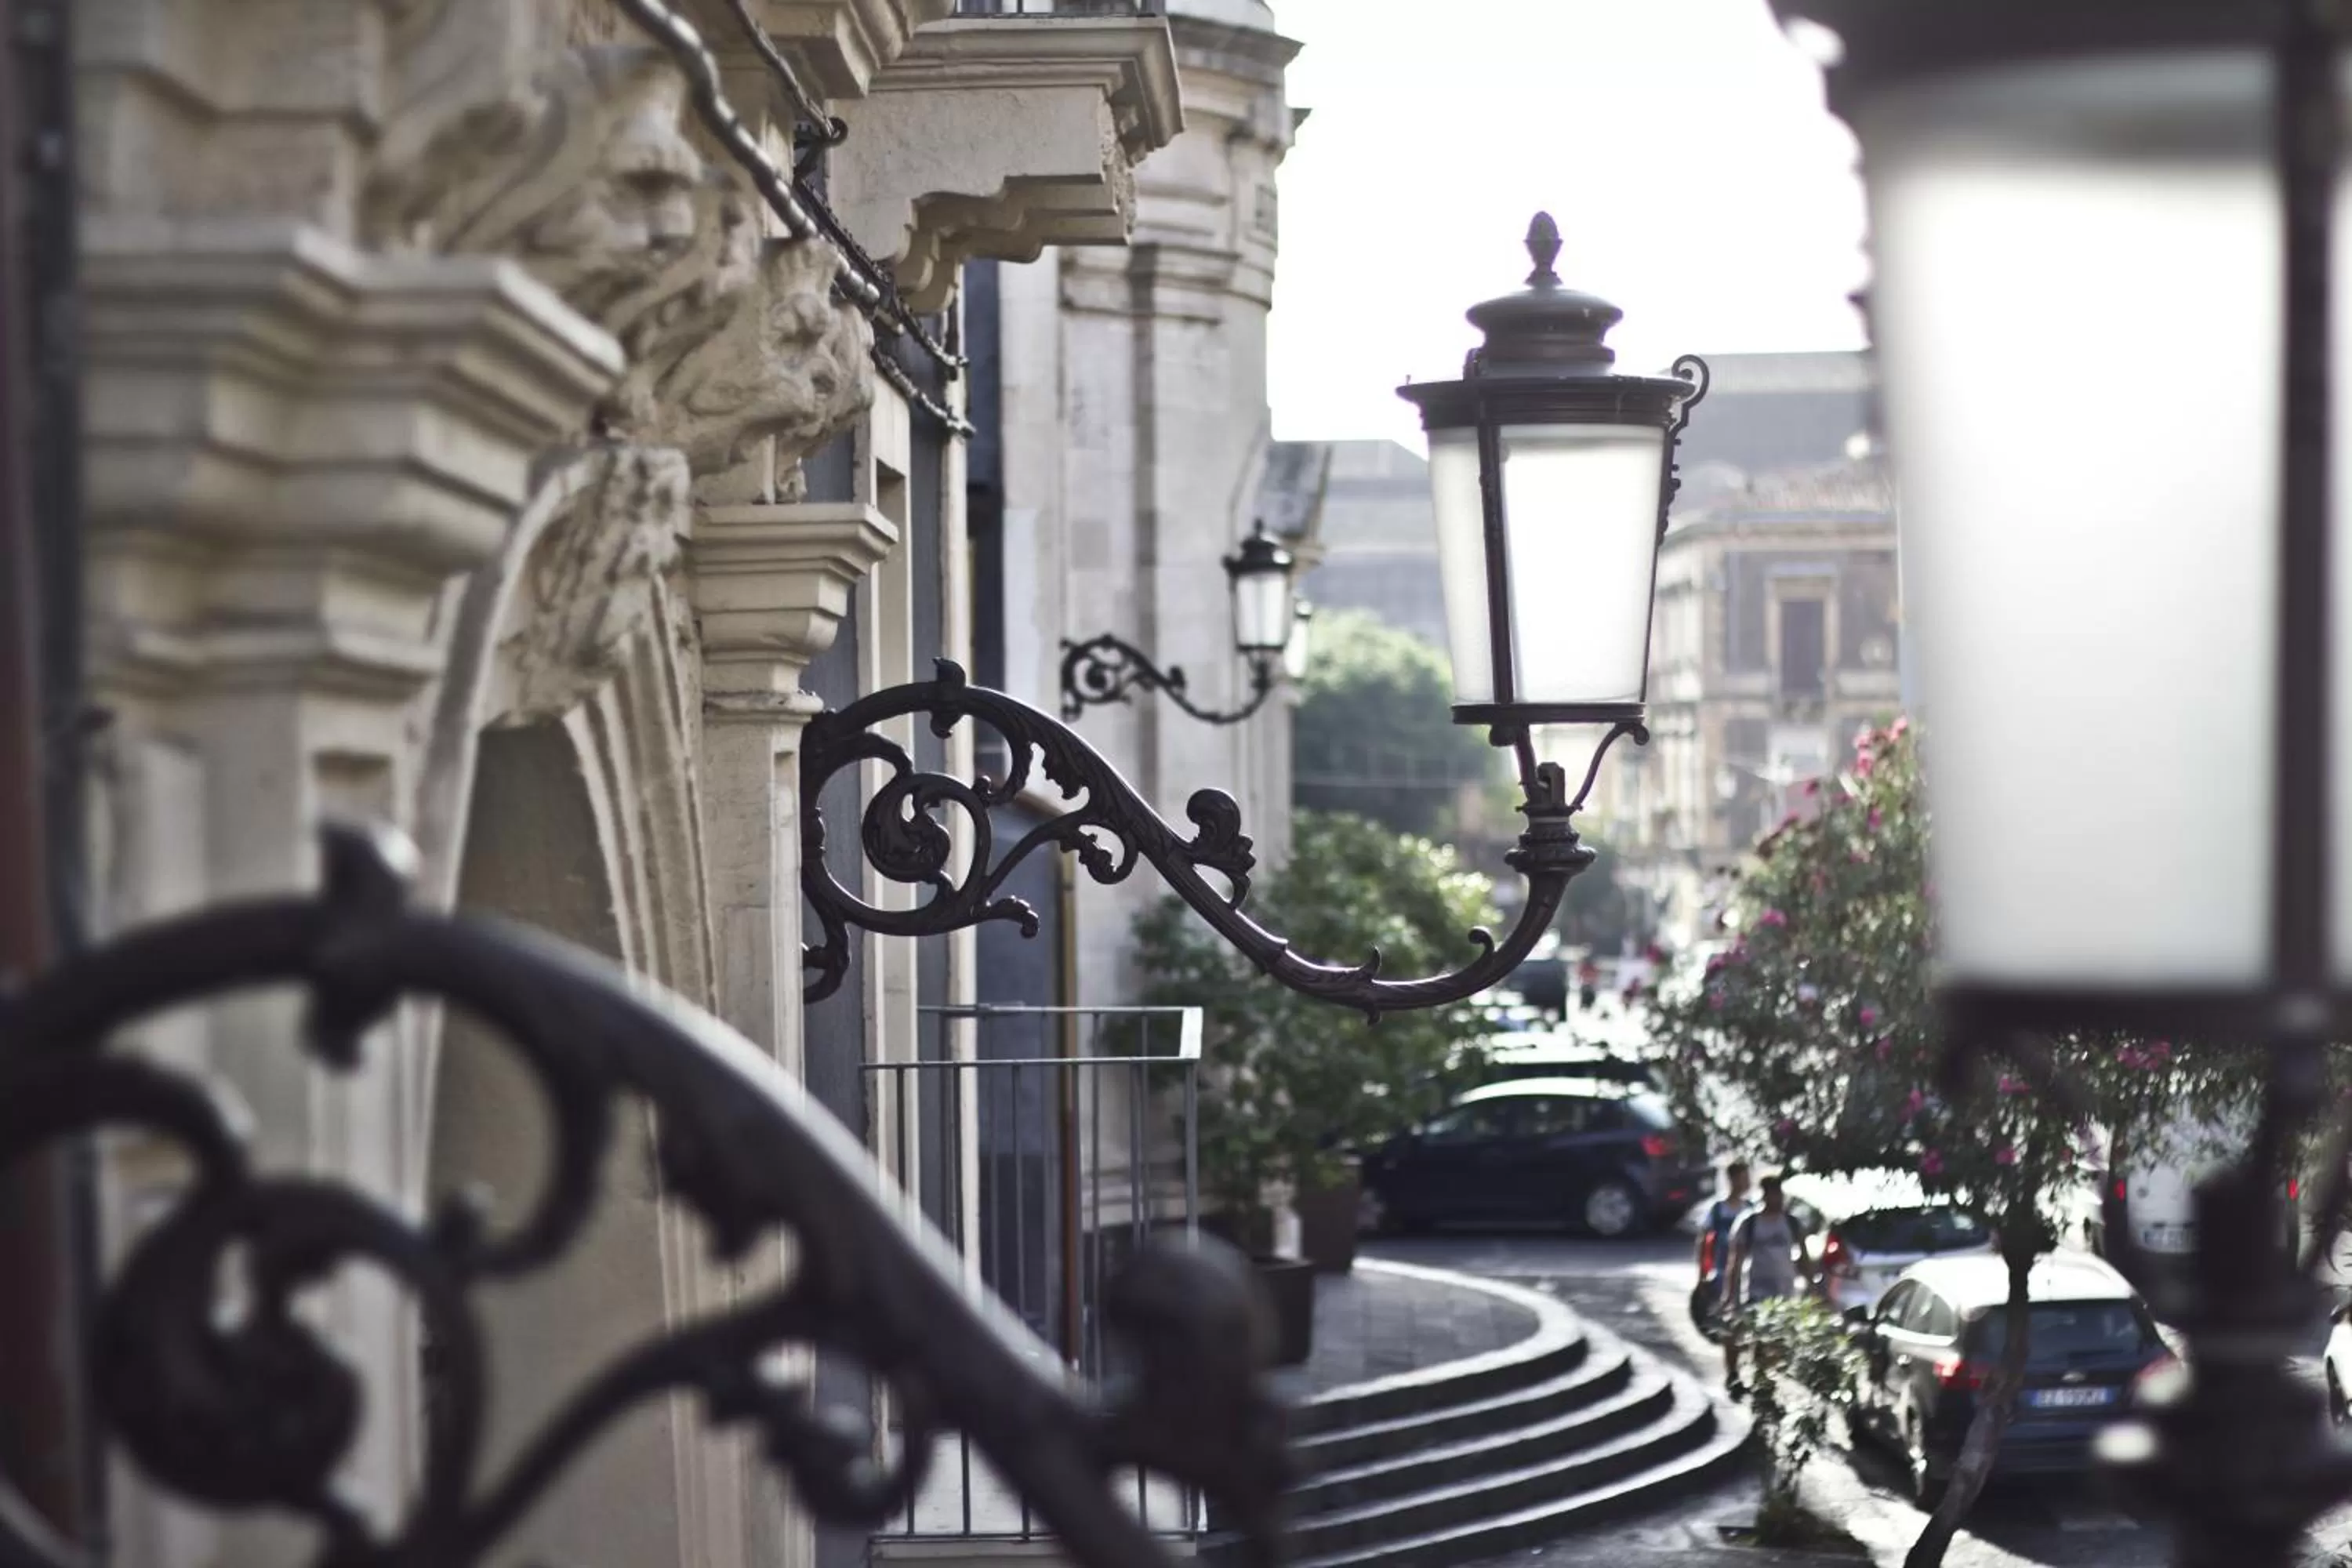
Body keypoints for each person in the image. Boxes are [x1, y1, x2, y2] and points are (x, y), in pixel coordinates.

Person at [1719, 1173, 1818, 1398]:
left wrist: (1812, 1286)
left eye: (1779, 1194)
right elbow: (1735, 1261)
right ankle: (1733, 1374)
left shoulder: (1791, 1223)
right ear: (1764, 1195)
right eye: (1772, 1194)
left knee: (1775, 1339)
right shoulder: (1749, 1223)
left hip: (1783, 1293)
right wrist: (1729, 1294)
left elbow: (1803, 1257)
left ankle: (1764, 1378)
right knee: (1736, 1332)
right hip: (1755, 1290)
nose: (1776, 1199)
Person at [1693, 1160, 1752, 1316]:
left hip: (1747, 1272)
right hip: (1721, 1270)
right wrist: (1702, 1274)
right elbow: (1703, 1241)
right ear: (1732, 1179)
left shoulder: (1751, 1209)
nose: (1747, 1182)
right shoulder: (1717, 1209)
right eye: (1743, 1177)